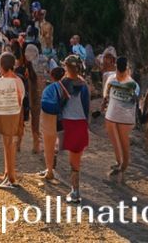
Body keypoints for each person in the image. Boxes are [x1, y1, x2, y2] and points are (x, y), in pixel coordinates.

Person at [0, 52, 25, 190]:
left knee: (7, 144)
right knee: (10, 144)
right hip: (15, 113)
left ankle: (11, 176)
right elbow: (21, 97)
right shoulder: (18, 80)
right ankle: (8, 172)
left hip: (3, 114)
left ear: (2, 66)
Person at [102, 56, 140, 183]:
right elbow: (136, 101)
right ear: (127, 68)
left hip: (112, 116)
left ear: (116, 66)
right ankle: (122, 169)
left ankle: (120, 167)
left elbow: (106, 96)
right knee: (125, 144)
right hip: (127, 118)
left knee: (116, 143)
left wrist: (103, 105)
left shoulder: (111, 79)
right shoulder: (134, 84)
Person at [60, 55, 91, 203]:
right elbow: (86, 109)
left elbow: (60, 104)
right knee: (76, 158)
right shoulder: (84, 85)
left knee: (72, 160)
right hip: (80, 123)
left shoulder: (64, 84)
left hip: (68, 123)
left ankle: (75, 190)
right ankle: (75, 189)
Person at [38, 66, 68, 180]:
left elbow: (44, 104)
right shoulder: (64, 87)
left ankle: (49, 170)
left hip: (50, 117)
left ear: (52, 76)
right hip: (60, 117)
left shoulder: (49, 88)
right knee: (55, 143)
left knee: (48, 144)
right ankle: (53, 163)